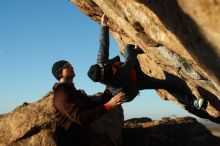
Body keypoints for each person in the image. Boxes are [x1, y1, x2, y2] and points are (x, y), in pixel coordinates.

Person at [87, 14, 205, 109]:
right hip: (136, 83)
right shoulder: (116, 78)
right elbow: (130, 61)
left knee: (128, 48)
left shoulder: (101, 63)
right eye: (112, 71)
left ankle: (144, 49)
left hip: (130, 71)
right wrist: (139, 49)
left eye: (110, 67)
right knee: (167, 84)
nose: (113, 68)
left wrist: (103, 25)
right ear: (108, 77)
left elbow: (103, 45)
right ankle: (194, 103)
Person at [52, 60, 125, 146]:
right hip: (70, 141)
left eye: (71, 65)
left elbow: (92, 106)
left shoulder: (73, 91)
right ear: (60, 73)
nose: (72, 67)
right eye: (67, 66)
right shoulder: (61, 94)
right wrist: (108, 105)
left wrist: (108, 91)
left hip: (82, 139)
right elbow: (80, 118)